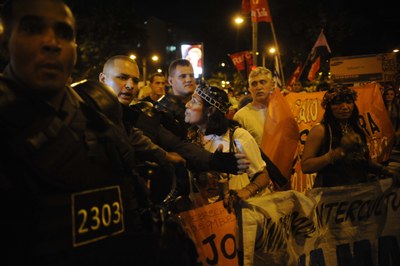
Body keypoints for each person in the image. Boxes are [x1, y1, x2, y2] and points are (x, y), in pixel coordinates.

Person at [0, 0, 161, 264]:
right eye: (32, 29)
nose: (52, 42)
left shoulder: (97, 117)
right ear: (5, 43)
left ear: (75, 49)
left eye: (64, 33)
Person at [97, 55, 250, 206]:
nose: (130, 85)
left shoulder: (135, 117)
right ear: (103, 79)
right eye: (122, 77)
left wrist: (212, 160)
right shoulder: (83, 111)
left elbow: (176, 144)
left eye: (135, 80)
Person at [184, 84, 273, 263]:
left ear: (209, 111)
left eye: (194, 101)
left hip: (235, 221)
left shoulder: (238, 137)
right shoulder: (189, 138)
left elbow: (263, 175)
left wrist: (242, 193)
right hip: (203, 222)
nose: (187, 105)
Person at [301, 84, 396, 187]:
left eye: (349, 102)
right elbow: (306, 166)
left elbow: (365, 160)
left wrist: (385, 170)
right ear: (329, 107)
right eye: (337, 103)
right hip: (331, 197)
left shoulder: (356, 128)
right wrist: (334, 154)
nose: (344, 107)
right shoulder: (320, 130)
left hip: (359, 195)